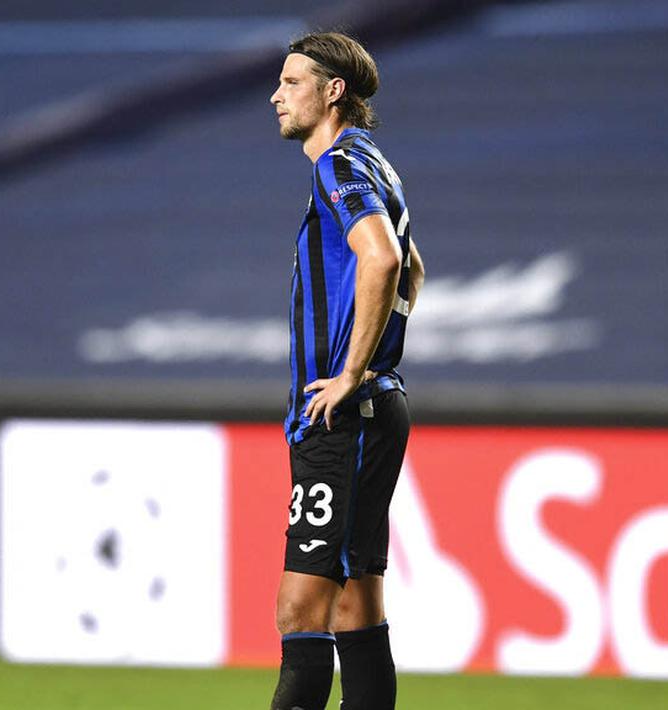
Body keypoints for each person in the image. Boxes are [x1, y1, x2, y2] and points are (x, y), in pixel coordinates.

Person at [267, 31, 426, 710]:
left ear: (334, 91)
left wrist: (351, 371)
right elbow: (412, 270)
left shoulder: (336, 165)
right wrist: (380, 358)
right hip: (373, 410)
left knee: (300, 610)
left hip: (346, 416)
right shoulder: (375, 163)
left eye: (292, 81)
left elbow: (384, 260)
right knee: (355, 602)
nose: (276, 95)